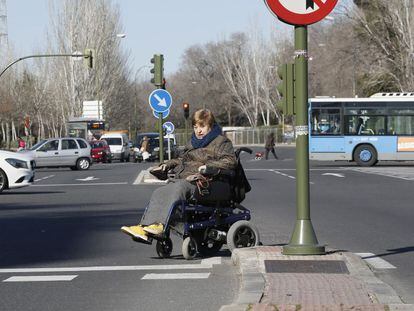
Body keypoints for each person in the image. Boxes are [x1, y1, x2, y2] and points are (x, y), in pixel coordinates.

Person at [121, 109, 237, 243]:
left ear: (210, 125)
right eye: (195, 127)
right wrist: (166, 165)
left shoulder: (221, 142)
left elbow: (230, 161)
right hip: (187, 178)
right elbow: (182, 160)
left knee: (179, 188)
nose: (198, 130)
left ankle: (160, 226)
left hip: (208, 182)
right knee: (160, 191)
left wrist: (209, 167)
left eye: (202, 126)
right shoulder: (192, 142)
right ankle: (146, 227)